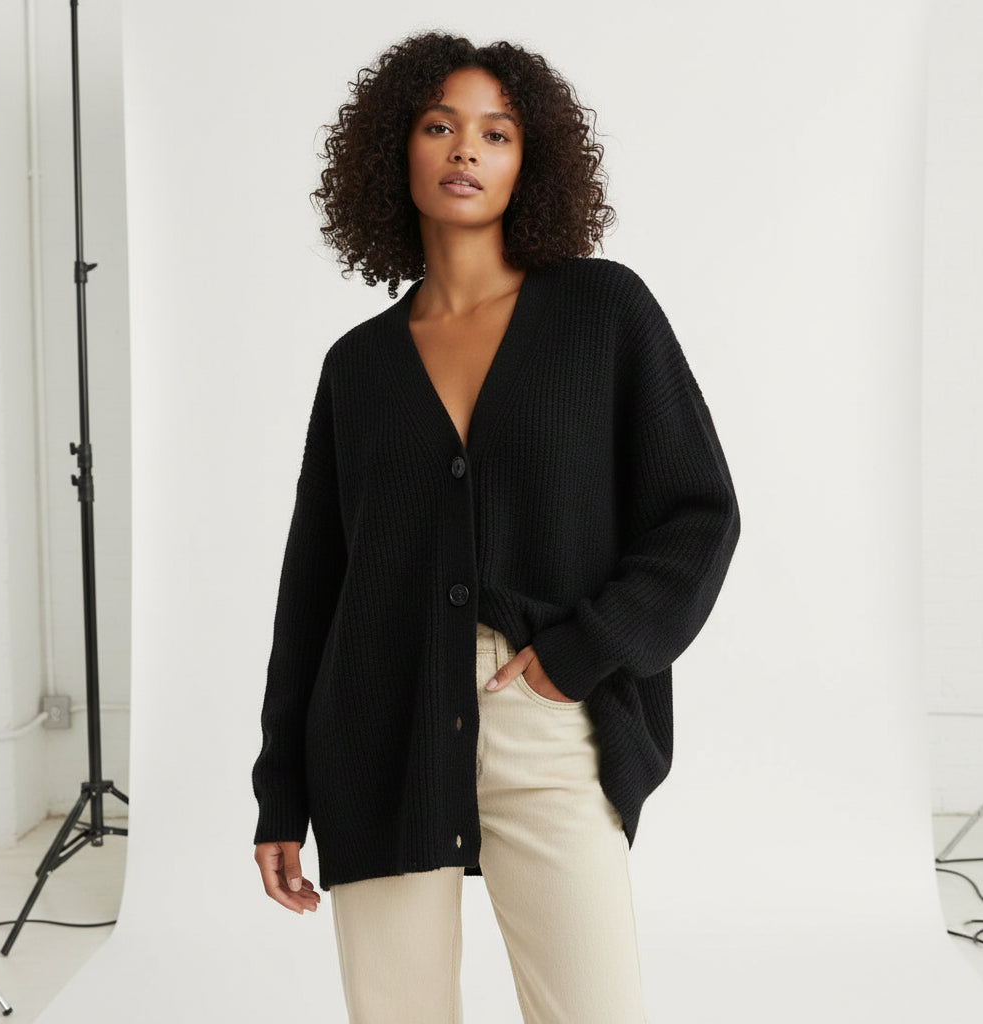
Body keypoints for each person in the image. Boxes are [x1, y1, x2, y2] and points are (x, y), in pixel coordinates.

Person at [252, 29, 741, 1024]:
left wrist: (586, 649)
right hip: (378, 725)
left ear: (530, 160)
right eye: (440, 126)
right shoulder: (359, 367)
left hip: (543, 714)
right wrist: (281, 791)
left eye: (497, 132)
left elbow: (698, 513)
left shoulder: (603, 311)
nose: (466, 148)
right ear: (396, 149)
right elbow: (314, 587)